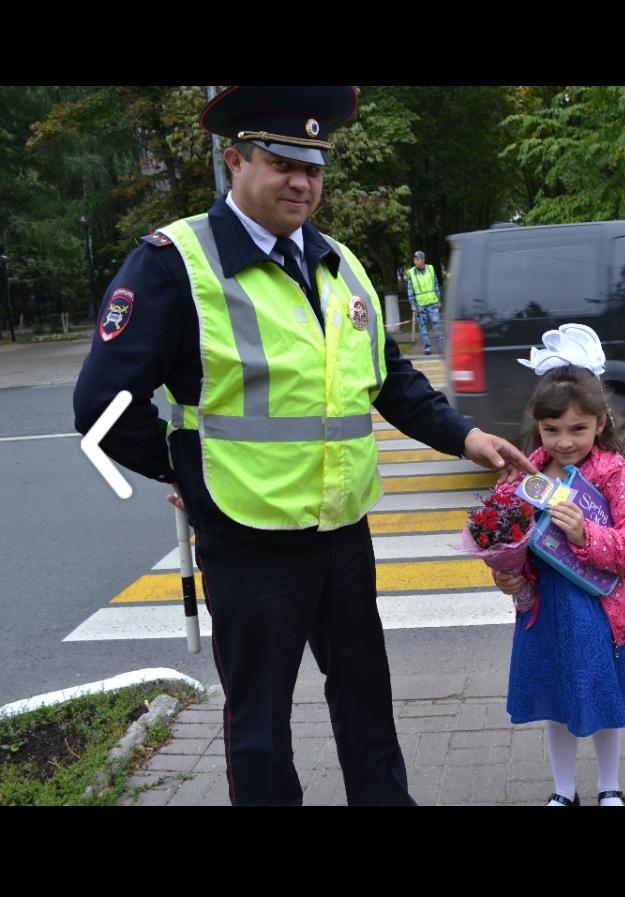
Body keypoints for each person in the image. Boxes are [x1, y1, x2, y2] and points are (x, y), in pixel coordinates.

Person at [73, 86, 534, 806]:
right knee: (260, 722)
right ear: (234, 161)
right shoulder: (174, 263)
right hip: (247, 536)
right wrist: (185, 469)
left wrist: (468, 436)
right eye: (282, 162)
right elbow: (101, 408)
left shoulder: (338, 264)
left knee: (366, 697)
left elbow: (390, 381)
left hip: (342, 528)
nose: (302, 181)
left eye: (314, 168)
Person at [493, 325, 625, 806]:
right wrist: (507, 574)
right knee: (557, 703)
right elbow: (511, 541)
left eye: (578, 429)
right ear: (537, 426)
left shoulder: (611, 472)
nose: (565, 442)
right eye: (552, 430)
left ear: (601, 424)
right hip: (547, 610)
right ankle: (564, 792)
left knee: (604, 701)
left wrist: (588, 535)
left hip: (600, 609)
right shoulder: (526, 476)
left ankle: (610, 786)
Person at [405, 250, 444, 355]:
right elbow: (410, 290)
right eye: (415, 259)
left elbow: (436, 284)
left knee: (437, 325)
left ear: (423, 260)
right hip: (420, 305)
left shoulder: (431, 269)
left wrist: (439, 300)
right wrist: (413, 304)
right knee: (423, 328)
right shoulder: (411, 273)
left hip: (432, 303)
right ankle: (427, 348)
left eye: (418, 259)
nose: (416, 261)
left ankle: (442, 346)